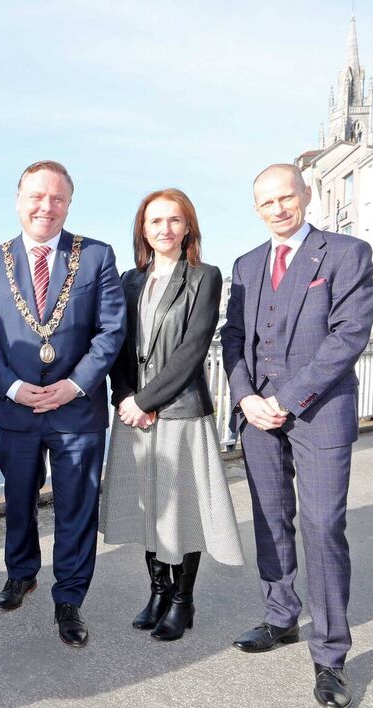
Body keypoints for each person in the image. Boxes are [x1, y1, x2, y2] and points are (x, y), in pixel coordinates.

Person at [220, 163, 373, 708]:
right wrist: (245, 397)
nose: (279, 208)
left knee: (323, 525)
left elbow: (348, 335)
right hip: (256, 413)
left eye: (287, 197)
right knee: (270, 518)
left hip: (320, 414)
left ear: (305, 195)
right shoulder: (245, 265)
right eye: (267, 202)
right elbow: (232, 336)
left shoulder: (346, 253)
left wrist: (285, 399)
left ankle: (331, 653)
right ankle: (281, 615)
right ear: (256, 209)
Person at [0, 160, 125, 647]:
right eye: (37, 196)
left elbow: (111, 330)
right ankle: (22, 573)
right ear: (19, 200)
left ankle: (70, 596)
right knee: (18, 498)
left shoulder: (97, 255)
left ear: (69, 204)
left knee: (76, 506)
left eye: (57, 198)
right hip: (16, 406)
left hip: (76, 408)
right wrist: (12, 387)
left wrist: (74, 385)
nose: (46, 206)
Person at [100, 189, 244, 641]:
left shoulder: (204, 277)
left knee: (182, 511)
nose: (165, 229)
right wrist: (124, 397)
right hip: (133, 414)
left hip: (180, 413)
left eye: (174, 220)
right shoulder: (129, 280)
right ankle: (157, 591)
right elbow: (118, 348)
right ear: (143, 229)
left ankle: (183, 601)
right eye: (155, 221)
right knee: (149, 506)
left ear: (188, 228)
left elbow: (192, 350)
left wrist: (145, 402)